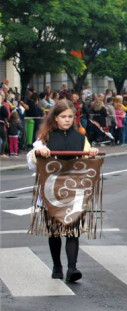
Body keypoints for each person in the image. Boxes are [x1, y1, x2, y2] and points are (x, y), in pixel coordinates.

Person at [26, 100, 100, 282]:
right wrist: (39, 152)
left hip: (74, 189)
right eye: (63, 116)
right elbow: (31, 160)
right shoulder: (45, 138)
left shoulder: (80, 137)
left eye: (70, 117)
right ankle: (57, 265)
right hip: (51, 189)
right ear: (55, 118)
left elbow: (87, 157)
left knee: (73, 230)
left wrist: (92, 152)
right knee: (54, 231)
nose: (67, 120)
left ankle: (72, 268)